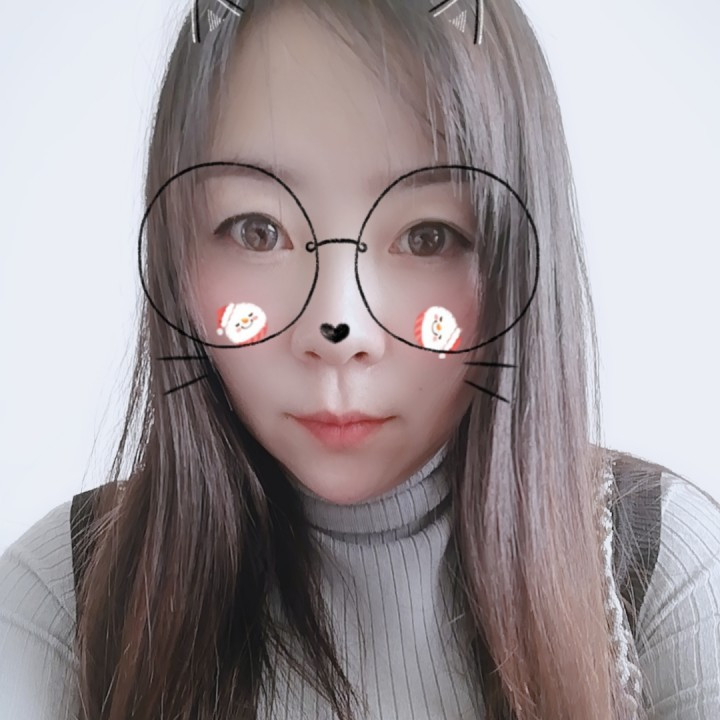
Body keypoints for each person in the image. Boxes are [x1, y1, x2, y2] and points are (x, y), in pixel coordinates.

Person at [1, 0, 719, 718]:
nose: (338, 327)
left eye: (428, 236)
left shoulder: (663, 569)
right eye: (257, 231)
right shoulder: (64, 598)